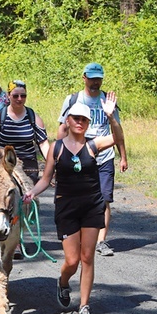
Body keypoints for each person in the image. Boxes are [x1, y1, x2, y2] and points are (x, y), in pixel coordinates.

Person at [23, 95, 121, 314]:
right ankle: (64, 282)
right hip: (66, 208)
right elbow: (46, 179)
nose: (80, 122)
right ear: (68, 120)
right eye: (76, 118)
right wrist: (32, 192)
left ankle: (84, 306)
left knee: (88, 257)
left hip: (92, 206)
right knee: (72, 261)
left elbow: (117, 138)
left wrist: (110, 116)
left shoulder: (93, 145)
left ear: (88, 124)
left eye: (84, 120)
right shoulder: (56, 148)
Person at [57, 62, 128, 257]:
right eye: (92, 78)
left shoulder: (108, 101)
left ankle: (101, 241)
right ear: (84, 78)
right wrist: (58, 156)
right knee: (79, 196)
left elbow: (118, 132)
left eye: (99, 78)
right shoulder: (73, 100)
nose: (96, 82)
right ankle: (80, 234)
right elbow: (63, 129)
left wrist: (123, 156)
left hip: (105, 156)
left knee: (104, 198)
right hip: (79, 156)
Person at [0, 80, 49, 184]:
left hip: (28, 165)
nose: (19, 99)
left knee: (27, 196)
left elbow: (43, 144)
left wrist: (52, 164)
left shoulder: (33, 117)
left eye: (23, 96)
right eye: (15, 96)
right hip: (5, 164)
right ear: (8, 96)